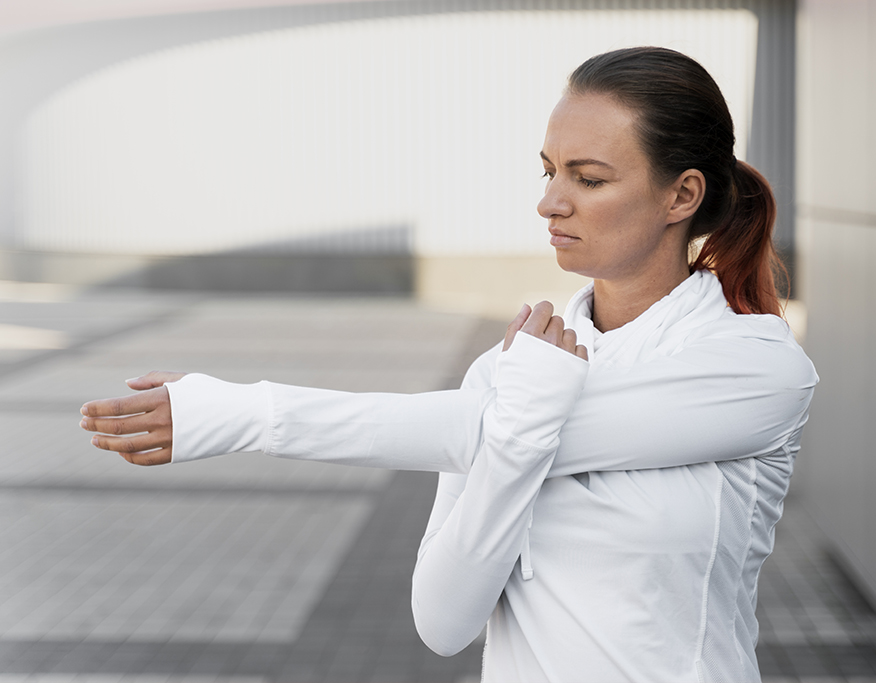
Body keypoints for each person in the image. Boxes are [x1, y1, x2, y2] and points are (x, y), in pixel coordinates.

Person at [81, 47, 817, 682]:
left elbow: (466, 428)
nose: (549, 202)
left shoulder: (754, 369)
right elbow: (442, 622)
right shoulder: (517, 373)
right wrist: (519, 426)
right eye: (548, 169)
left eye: (588, 179)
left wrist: (248, 412)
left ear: (682, 194)